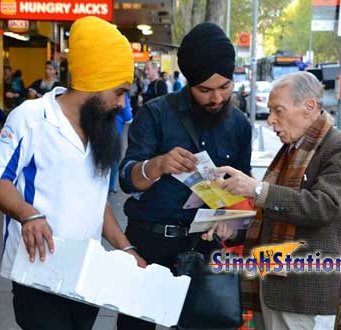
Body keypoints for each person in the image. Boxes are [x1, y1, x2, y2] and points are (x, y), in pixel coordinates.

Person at [0, 16, 146, 330]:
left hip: (85, 276)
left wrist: (125, 248)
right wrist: (28, 214)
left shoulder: (102, 130)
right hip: (36, 273)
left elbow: (95, 201)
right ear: (95, 84)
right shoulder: (31, 118)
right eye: (119, 92)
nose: (122, 102)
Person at [117, 23, 252, 329]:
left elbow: (242, 191)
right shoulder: (155, 113)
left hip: (204, 248)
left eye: (225, 86)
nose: (216, 97)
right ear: (189, 83)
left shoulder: (240, 124)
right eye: (205, 90)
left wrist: (226, 221)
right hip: (149, 244)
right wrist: (157, 165)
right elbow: (127, 180)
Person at [214, 71, 341, 330]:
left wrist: (257, 189)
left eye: (278, 111)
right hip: (267, 277)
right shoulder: (293, 147)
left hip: (297, 288)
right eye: (270, 111)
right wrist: (236, 231)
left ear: (310, 107)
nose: (271, 120)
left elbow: (323, 206)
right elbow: (275, 213)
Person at [109, 92, 133, 194]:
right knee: (114, 161)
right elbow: (128, 116)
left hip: (96, 129)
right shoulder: (121, 92)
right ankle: (110, 186)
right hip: (115, 129)